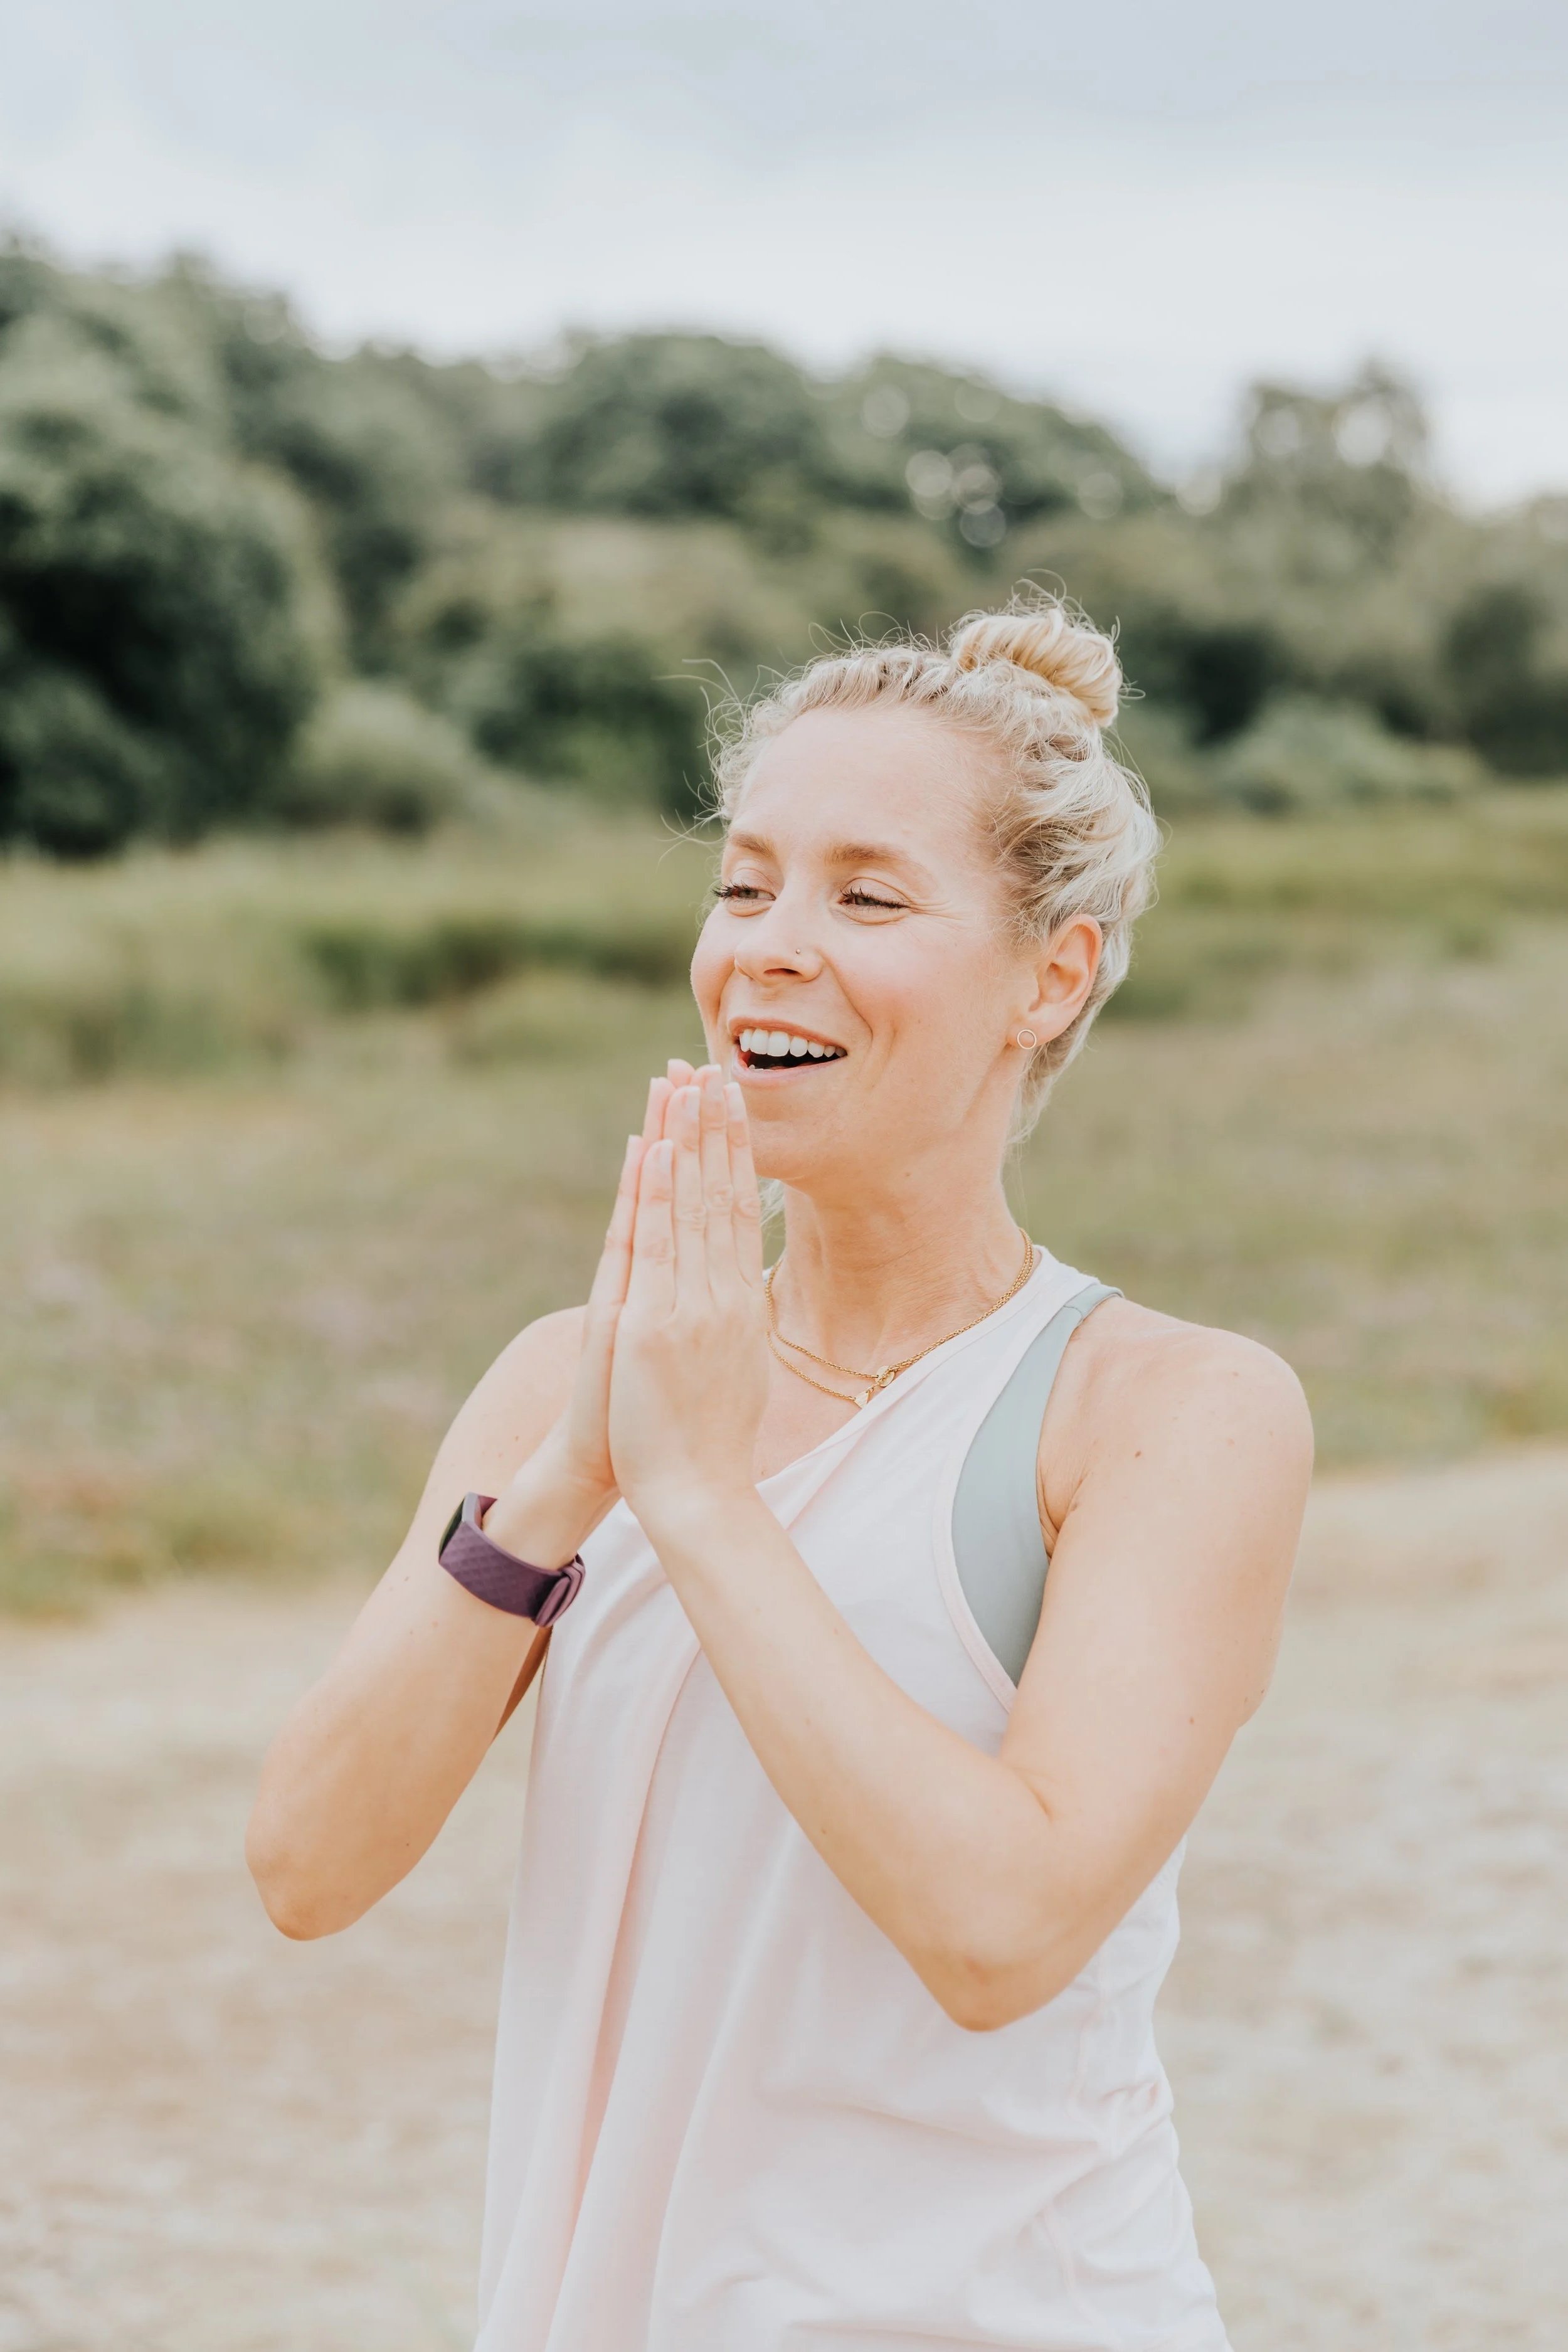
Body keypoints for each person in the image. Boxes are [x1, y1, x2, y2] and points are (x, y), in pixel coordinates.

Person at [248, 593, 1312, 2351]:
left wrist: (696, 1495)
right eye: (743, 885)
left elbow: (998, 1931)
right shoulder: (566, 1387)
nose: (767, 947)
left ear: (1050, 974)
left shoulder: (1164, 1412)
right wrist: (568, 1475)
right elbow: (307, 1866)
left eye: (867, 896)